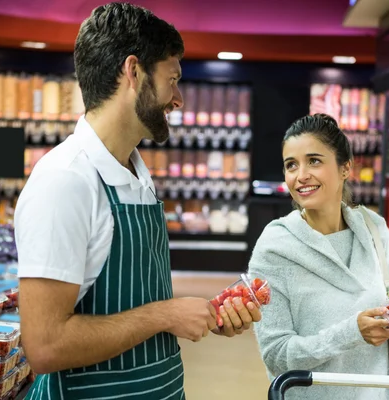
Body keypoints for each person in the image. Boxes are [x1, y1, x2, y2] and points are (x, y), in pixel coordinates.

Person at [14, 3, 261, 399]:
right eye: (172, 80)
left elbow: (139, 307)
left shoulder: (136, 173)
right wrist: (166, 314)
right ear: (133, 72)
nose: (178, 98)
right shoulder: (65, 182)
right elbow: (44, 345)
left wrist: (202, 315)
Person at [248, 114, 389, 400]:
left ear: (345, 168)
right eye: (291, 165)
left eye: (314, 160)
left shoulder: (374, 229)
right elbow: (276, 355)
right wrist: (352, 332)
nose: (301, 175)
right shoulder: (274, 248)